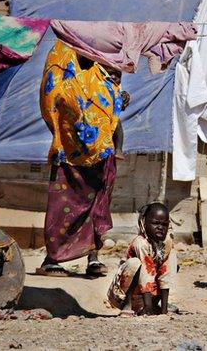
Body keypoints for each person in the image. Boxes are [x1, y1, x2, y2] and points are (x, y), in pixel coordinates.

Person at [36, 41, 128, 278]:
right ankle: (52, 259)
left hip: (102, 152)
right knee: (64, 207)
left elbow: (111, 94)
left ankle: (93, 257)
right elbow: (53, 98)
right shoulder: (63, 57)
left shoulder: (103, 63)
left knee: (96, 207)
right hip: (70, 151)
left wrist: (117, 97)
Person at [107, 202, 177, 316]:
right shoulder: (141, 243)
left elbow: (166, 274)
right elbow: (146, 274)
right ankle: (128, 305)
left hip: (147, 296)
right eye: (155, 223)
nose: (160, 227)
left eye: (164, 224)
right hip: (123, 295)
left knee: (172, 261)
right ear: (144, 223)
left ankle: (154, 305)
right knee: (135, 263)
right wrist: (147, 307)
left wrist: (164, 311)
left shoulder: (167, 243)